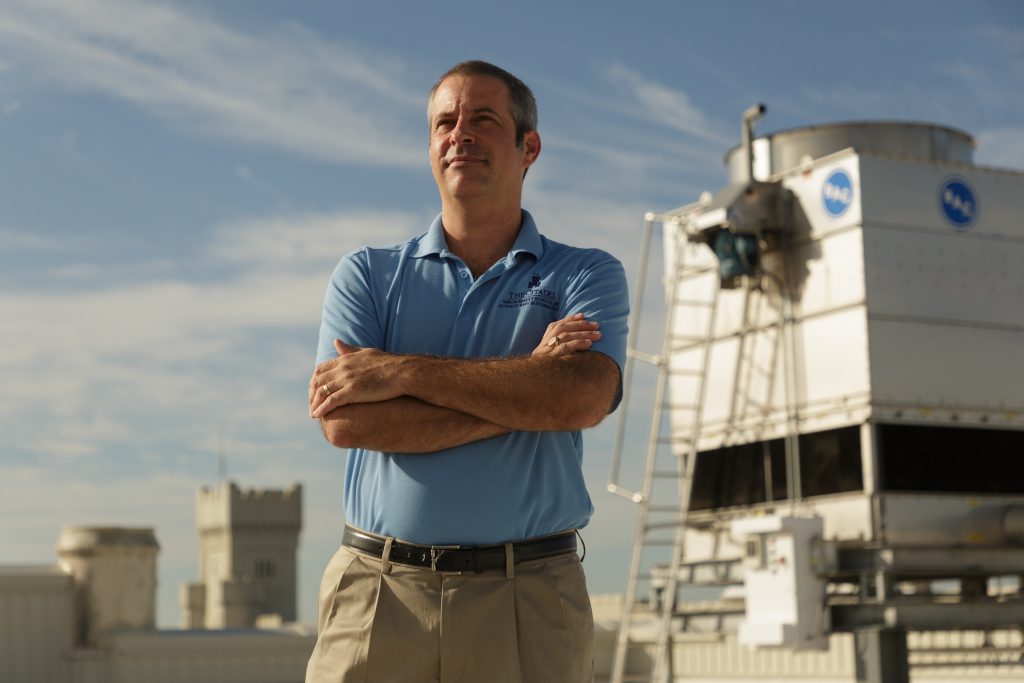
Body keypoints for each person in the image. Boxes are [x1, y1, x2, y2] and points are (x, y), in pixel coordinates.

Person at [305, 60, 629, 683]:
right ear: (430, 145)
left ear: (527, 146)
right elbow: (345, 424)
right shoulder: (367, 275)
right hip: (379, 593)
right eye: (445, 123)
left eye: (483, 119)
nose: (461, 135)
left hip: (529, 597)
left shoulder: (586, 274)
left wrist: (399, 373)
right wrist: (527, 388)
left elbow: (580, 399)